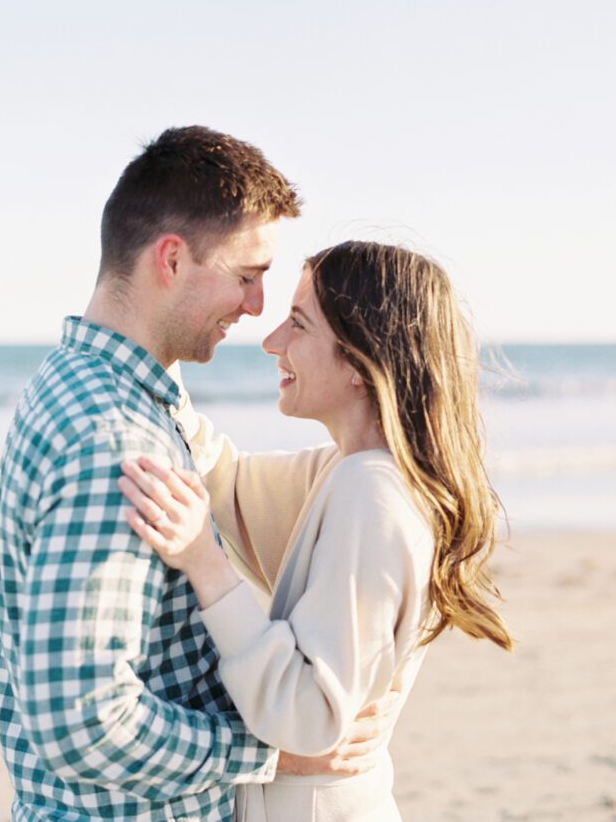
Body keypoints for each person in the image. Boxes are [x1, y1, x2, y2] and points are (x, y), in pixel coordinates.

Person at [119, 240, 514, 822]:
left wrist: (204, 561)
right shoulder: (347, 471)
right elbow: (225, 482)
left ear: (359, 364)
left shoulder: (374, 495)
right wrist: (163, 324)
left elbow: (307, 719)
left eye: (298, 325)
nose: (272, 341)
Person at [0, 125, 310, 822]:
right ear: (172, 259)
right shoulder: (116, 442)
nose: (257, 307)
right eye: (248, 275)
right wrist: (268, 755)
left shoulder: (75, 382)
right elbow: (84, 723)